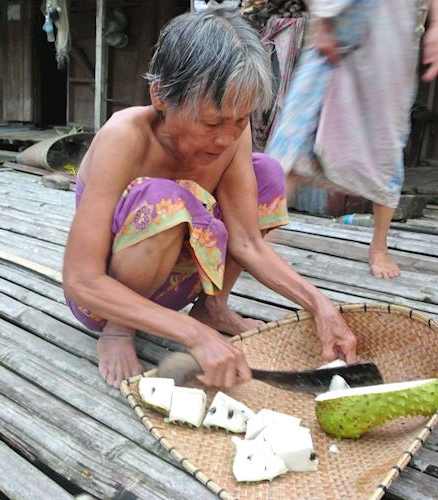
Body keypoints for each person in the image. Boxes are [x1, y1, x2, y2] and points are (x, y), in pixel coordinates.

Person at [62, 7, 357, 388]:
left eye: (240, 120)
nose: (225, 138)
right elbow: (81, 280)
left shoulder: (233, 132)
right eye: (212, 122)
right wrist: (193, 337)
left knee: (265, 171)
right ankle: (120, 331)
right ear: (161, 97)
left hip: (178, 287)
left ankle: (211, 307)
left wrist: (320, 307)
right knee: (163, 197)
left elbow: (247, 241)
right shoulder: (125, 137)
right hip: (106, 301)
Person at [266, 0, 438, 279]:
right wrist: (321, 21)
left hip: (392, 35)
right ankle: (261, 237)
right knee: (294, 133)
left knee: (386, 138)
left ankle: (379, 246)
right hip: (338, 24)